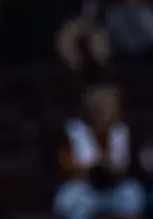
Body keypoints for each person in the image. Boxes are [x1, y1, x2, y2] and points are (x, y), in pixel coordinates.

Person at [53, 85, 144, 219]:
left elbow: (123, 165)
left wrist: (109, 165)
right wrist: (88, 166)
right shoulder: (75, 130)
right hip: (84, 187)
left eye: (111, 108)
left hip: (113, 188)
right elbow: (67, 165)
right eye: (101, 109)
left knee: (133, 194)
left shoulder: (120, 131)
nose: (107, 113)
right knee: (69, 201)